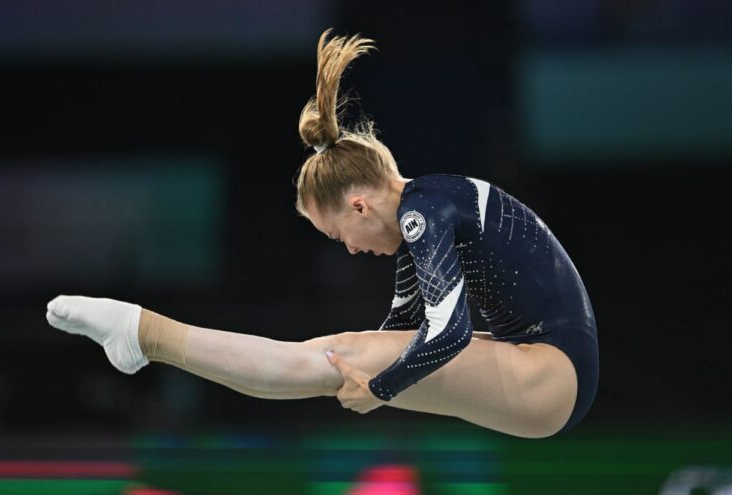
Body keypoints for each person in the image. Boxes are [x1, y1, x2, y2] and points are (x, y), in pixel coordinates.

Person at [45, 28, 599, 438]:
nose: (352, 249)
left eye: (340, 235)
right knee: (334, 355)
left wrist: (379, 388)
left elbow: (448, 332)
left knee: (331, 358)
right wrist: (368, 375)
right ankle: (145, 336)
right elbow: (403, 328)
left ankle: (148, 335)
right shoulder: (428, 207)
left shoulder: (422, 212)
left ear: (359, 205)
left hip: (551, 375)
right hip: (546, 369)